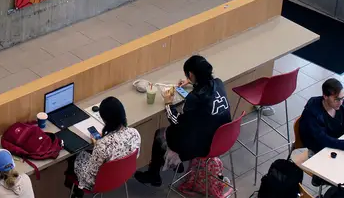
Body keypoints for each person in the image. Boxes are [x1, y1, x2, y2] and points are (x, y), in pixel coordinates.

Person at [135, 55, 231, 187]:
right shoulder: (218, 83)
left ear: (191, 75)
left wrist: (168, 103)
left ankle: (154, 175)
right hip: (222, 138)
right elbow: (203, 100)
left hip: (203, 145)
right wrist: (193, 83)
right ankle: (175, 164)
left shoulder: (194, 99)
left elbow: (176, 121)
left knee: (160, 134)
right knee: (186, 128)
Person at [65, 96, 141, 197]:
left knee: (75, 156)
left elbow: (91, 176)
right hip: (123, 175)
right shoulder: (134, 133)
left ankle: (76, 192)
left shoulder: (102, 145)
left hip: (99, 183)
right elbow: (135, 155)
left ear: (105, 120)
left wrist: (97, 147)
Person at [296, 78, 344, 163]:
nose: (340, 102)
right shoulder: (312, 112)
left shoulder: (341, 104)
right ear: (325, 96)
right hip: (318, 149)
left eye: (342, 98)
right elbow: (323, 140)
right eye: (336, 99)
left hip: (337, 144)